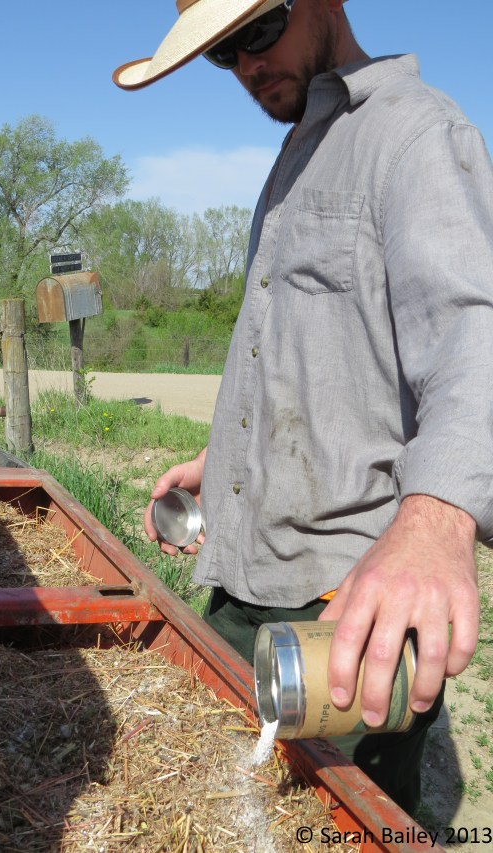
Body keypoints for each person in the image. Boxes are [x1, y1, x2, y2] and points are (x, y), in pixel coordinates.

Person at [113, 0, 492, 815]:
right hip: (239, 589)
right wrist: (225, 462)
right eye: (223, 53)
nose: (247, 66)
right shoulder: (298, 155)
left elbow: (474, 335)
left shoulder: (415, 134)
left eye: (257, 30)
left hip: (342, 617)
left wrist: (436, 520)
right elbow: (315, 359)